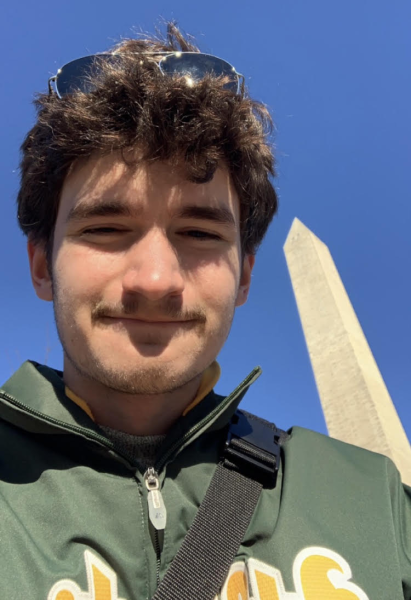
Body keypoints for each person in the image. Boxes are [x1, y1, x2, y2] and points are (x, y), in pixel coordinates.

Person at [1, 22, 410, 600]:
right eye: (107, 228)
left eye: (197, 232)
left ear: (243, 277)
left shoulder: (377, 502)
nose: (156, 280)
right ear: (42, 265)